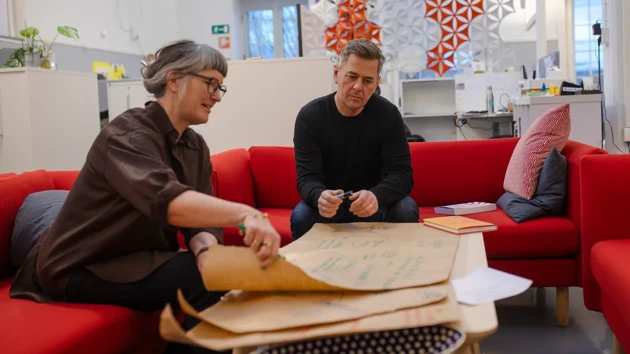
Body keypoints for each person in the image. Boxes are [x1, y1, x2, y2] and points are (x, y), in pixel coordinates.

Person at [10, 40, 281, 354]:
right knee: (198, 279)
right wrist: (246, 214)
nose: (217, 96)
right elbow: (169, 202)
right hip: (83, 265)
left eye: (221, 88)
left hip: (135, 258)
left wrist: (207, 250)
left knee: (216, 269)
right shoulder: (127, 134)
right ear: (174, 80)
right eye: (210, 83)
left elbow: (199, 221)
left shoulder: (195, 147)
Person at [290, 39, 419, 240]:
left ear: (377, 83)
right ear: (336, 74)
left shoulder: (388, 115)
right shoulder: (310, 116)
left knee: (406, 208)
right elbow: (306, 178)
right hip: (330, 206)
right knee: (301, 215)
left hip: (374, 203)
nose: (358, 87)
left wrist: (376, 195)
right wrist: (319, 196)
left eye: (368, 81)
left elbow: (402, 174)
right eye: (351, 76)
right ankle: (311, 272)